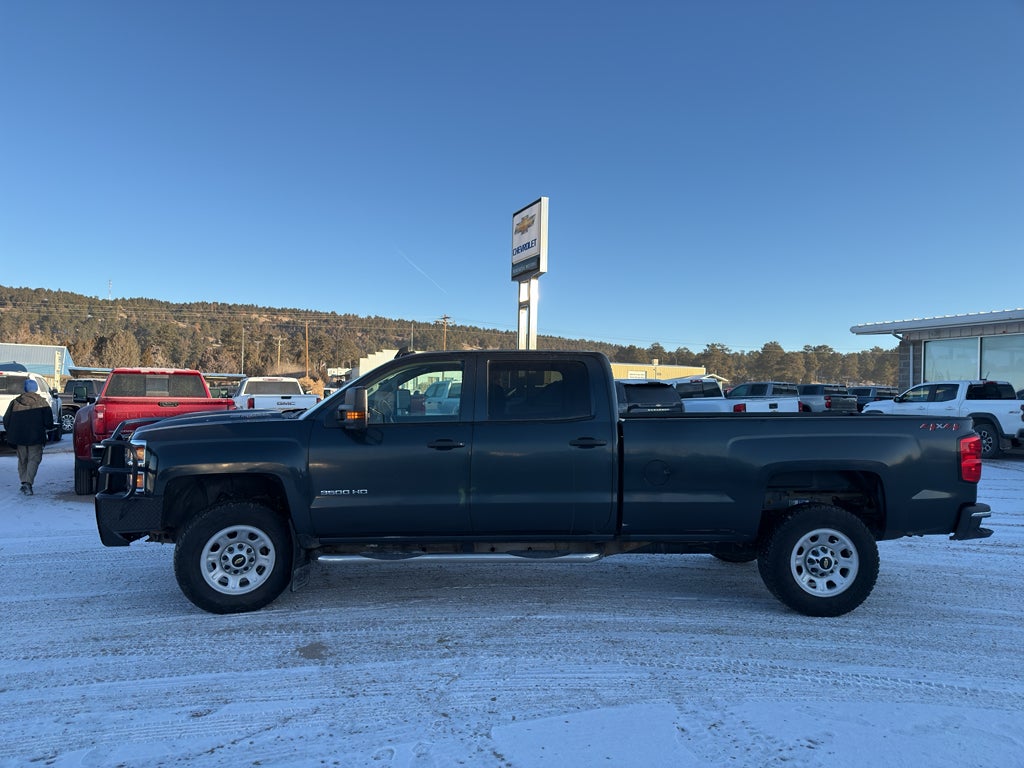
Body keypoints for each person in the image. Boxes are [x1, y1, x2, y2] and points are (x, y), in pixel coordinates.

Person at [3, 378, 54, 495]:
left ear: (25, 389)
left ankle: (24, 482)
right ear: (36, 388)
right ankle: (28, 483)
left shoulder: (15, 402)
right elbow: (49, 422)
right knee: (34, 460)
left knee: (22, 460)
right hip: (36, 437)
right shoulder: (42, 403)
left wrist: (12, 431)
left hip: (19, 437)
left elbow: (6, 420)